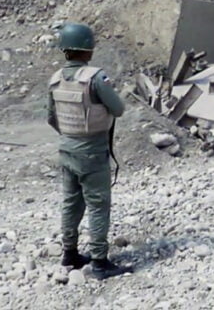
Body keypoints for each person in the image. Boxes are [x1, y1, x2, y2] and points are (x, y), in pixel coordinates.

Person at [47, 22, 131, 279]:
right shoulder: (95, 78)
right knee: (97, 204)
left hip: (67, 149)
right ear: (88, 49)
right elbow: (118, 109)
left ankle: (69, 253)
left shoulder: (56, 79)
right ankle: (99, 262)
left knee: (71, 203)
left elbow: (51, 118)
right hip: (91, 151)